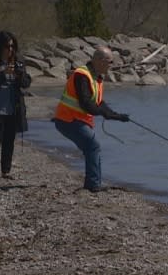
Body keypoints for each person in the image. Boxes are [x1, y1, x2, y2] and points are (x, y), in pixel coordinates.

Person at [53, 45, 130, 193]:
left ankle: (94, 183)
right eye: (110, 62)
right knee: (93, 146)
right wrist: (106, 114)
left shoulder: (96, 78)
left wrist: (117, 116)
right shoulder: (82, 75)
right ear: (100, 61)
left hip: (78, 120)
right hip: (67, 120)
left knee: (92, 148)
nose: (111, 65)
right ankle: (93, 185)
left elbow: (99, 103)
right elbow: (87, 104)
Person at [0, 31, 32, 180]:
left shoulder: (18, 61)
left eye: (12, 47)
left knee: (9, 141)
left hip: (13, 108)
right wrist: (3, 73)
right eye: (7, 46)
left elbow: (26, 83)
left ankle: (5, 171)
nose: (10, 50)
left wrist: (20, 75)